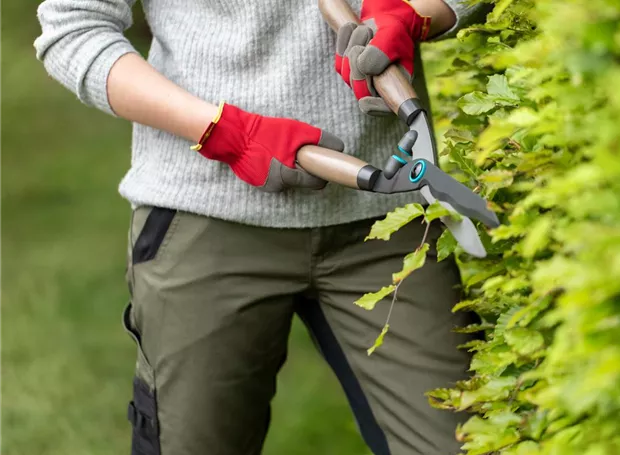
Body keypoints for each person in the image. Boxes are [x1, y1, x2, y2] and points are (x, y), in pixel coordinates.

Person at [34, 1, 487, 454]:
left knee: (464, 443)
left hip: (390, 230)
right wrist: (224, 131)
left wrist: (414, 12)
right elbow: (74, 26)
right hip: (205, 223)